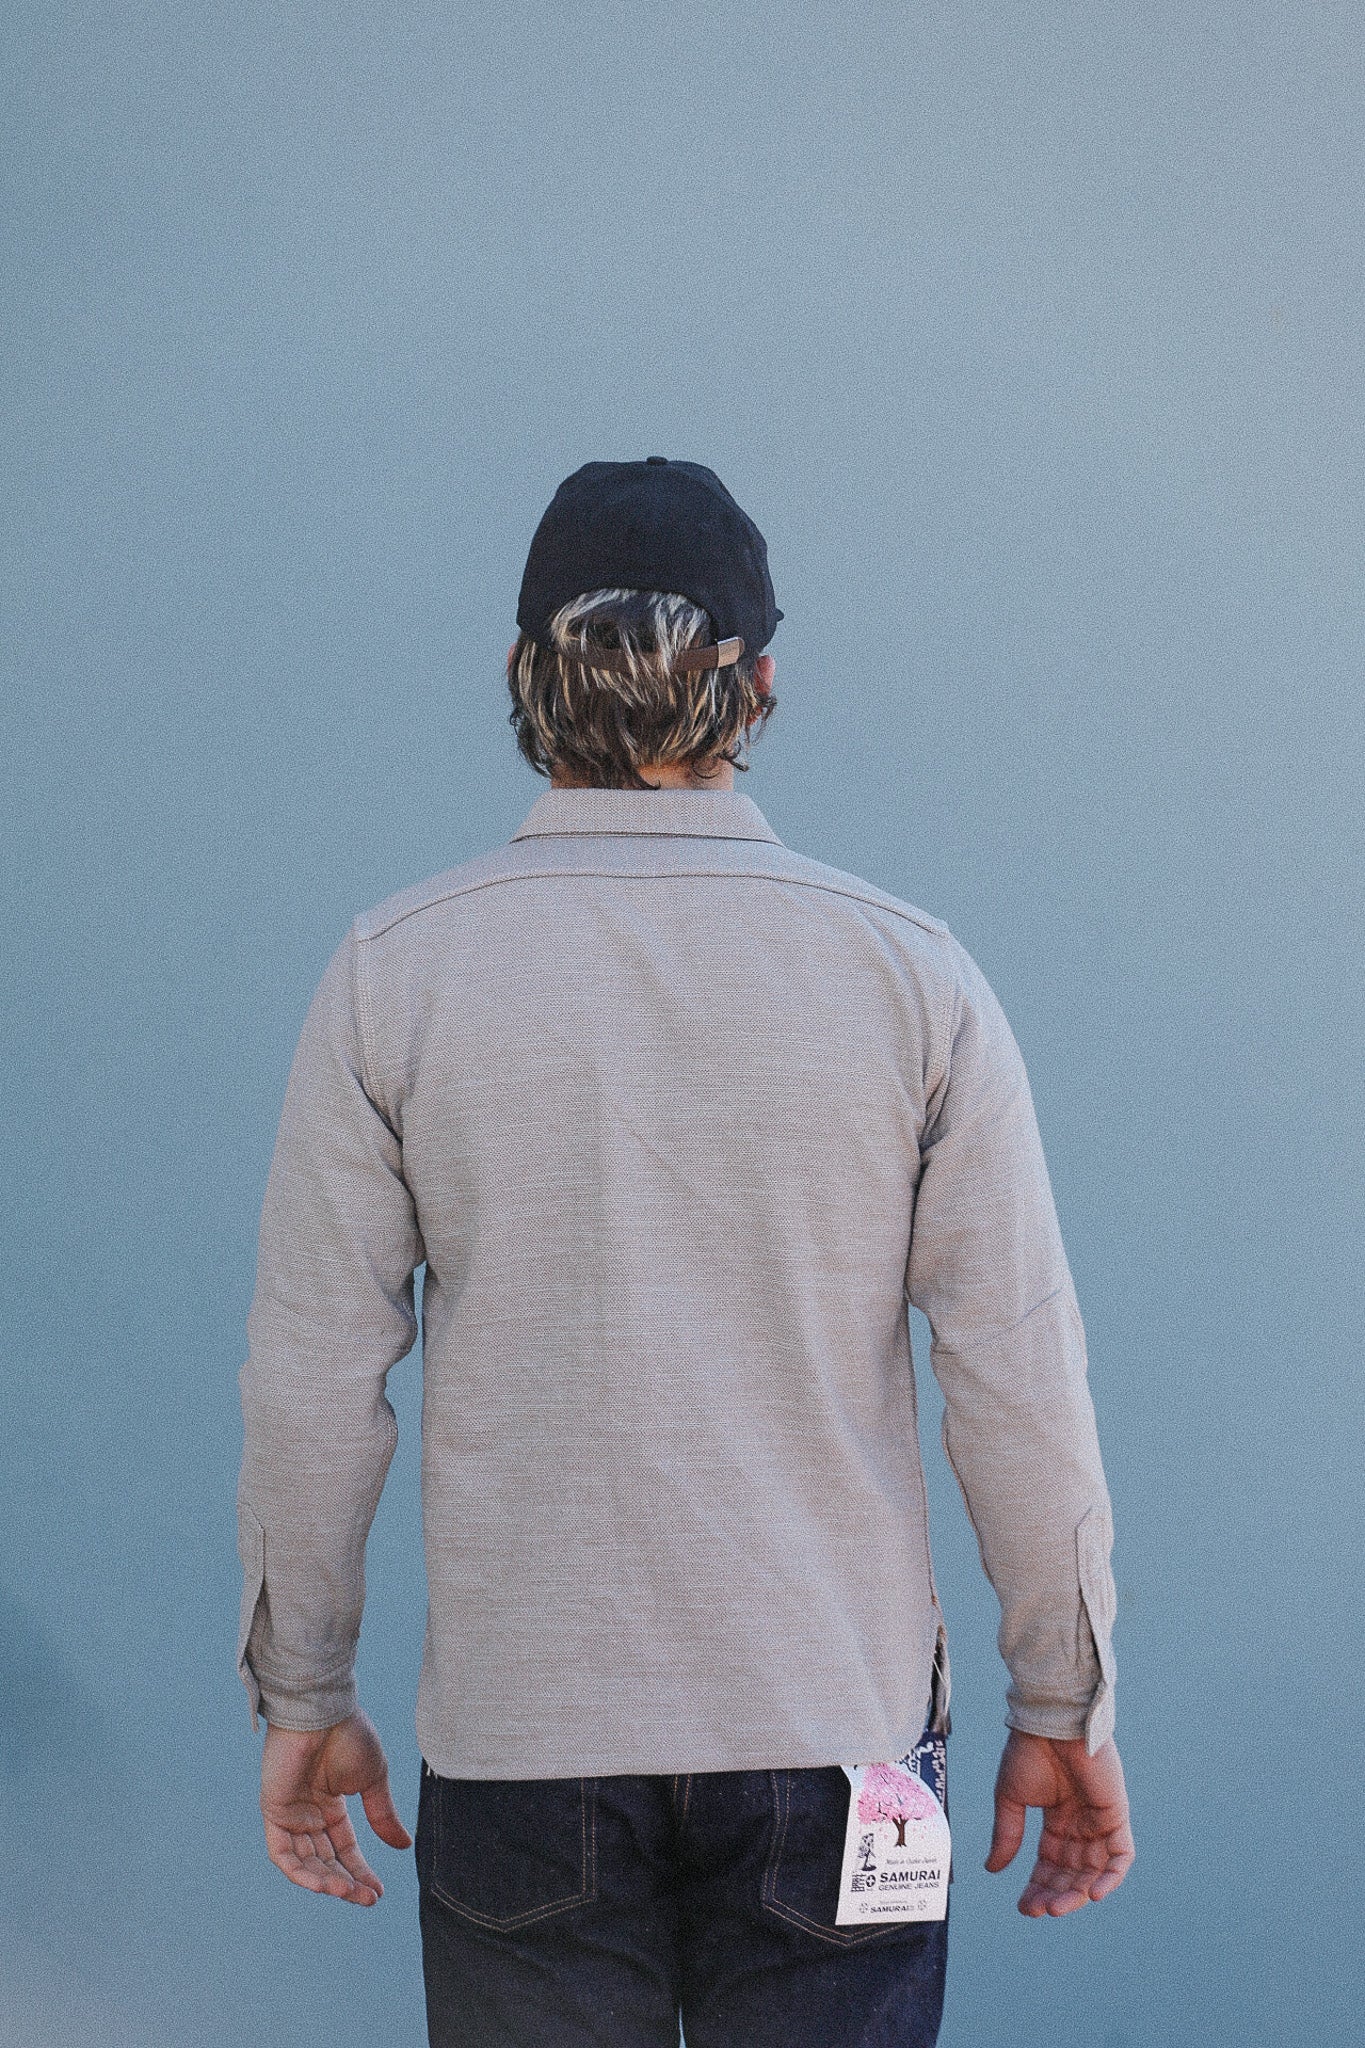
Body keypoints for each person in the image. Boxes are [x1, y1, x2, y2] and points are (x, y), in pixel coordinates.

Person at [236, 456, 1134, 2048]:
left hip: (522, 1743)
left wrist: (304, 1697)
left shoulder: (396, 976)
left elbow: (313, 1387)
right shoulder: (909, 978)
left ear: (522, 679)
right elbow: (1016, 1376)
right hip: (847, 1744)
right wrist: (1062, 1701)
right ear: (761, 684)